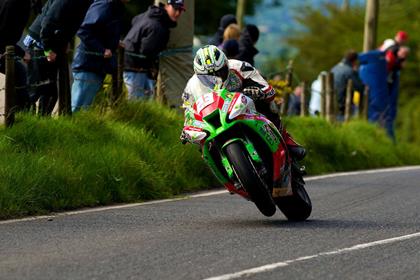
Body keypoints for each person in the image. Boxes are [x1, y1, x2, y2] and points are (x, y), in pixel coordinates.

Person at [181, 45, 306, 161]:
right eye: (208, 77)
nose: (216, 78)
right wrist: (187, 129)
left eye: (221, 72)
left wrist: (259, 92)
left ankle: (286, 141)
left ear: (226, 64)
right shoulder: (191, 88)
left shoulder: (239, 67)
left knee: (268, 104)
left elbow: (269, 90)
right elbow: (188, 114)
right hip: (215, 121)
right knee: (202, 142)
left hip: (244, 109)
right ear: (198, 75)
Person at [23, 0, 95, 115]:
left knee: (50, 93)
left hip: (52, 42)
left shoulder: (85, 2)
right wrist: (47, 49)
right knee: (35, 90)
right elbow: (48, 22)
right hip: (41, 42)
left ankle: (42, 124)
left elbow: (70, 22)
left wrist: (65, 41)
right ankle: (23, 122)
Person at [71, 0, 129, 112]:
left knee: (84, 110)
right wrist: (101, 50)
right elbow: (84, 30)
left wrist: (114, 42)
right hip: (87, 66)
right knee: (76, 108)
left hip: (98, 67)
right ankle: (66, 130)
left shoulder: (117, 7)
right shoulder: (105, 5)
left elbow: (102, 30)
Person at [122, 0, 185, 100]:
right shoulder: (158, 26)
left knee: (142, 104)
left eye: (181, 10)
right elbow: (146, 50)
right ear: (167, 6)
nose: (178, 13)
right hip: (135, 68)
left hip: (134, 66)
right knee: (137, 103)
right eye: (175, 9)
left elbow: (134, 20)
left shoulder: (151, 15)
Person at [0, 0, 32, 111]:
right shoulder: (15, 4)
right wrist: (22, 53)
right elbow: (4, 33)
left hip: (5, 48)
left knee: (19, 73)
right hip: (3, 48)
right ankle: (22, 115)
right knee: (20, 73)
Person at [330, 50, 364, 120]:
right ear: (355, 60)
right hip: (344, 106)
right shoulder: (349, 71)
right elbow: (360, 87)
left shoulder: (334, 68)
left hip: (332, 104)